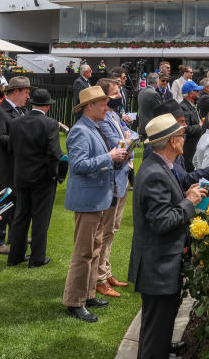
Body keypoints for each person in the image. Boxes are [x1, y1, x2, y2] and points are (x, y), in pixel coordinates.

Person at [129, 114, 208, 359]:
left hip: (160, 264)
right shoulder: (155, 172)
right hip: (158, 266)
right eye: (181, 135)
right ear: (173, 142)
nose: (185, 139)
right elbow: (161, 222)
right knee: (156, 331)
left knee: (159, 330)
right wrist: (188, 202)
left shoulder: (160, 166)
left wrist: (185, 194)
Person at [63, 86, 130, 323]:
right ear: (89, 106)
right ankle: (74, 301)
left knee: (94, 250)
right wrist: (109, 157)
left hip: (98, 199)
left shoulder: (92, 128)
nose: (107, 107)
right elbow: (78, 165)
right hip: (88, 201)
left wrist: (115, 157)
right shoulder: (81, 131)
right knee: (83, 253)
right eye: (103, 104)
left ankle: (88, 294)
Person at [7, 88, 64, 268]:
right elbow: (55, 154)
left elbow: (11, 148)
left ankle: (15, 256)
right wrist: (54, 174)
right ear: (47, 106)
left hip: (22, 176)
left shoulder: (16, 123)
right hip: (43, 179)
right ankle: (37, 258)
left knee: (21, 216)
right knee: (40, 219)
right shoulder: (50, 124)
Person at [95, 78, 135, 298]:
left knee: (113, 229)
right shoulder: (103, 120)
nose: (120, 96)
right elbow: (119, 146)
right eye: (115, 93)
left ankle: (106, 271)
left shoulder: (114, 115)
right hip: (112, 180)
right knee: (105, 230)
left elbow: (130, 140)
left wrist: (127, 139)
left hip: (123, 177)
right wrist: (127, 140)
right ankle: (100, 277)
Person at [0, 76, 33, 254]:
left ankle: (15, 235)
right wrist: (23, 140)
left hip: (20, 165)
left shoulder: (21, 111)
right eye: (26, 93)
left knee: (18, 202)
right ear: (15, 92)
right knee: (5, 202)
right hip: (7, 165)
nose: (28, 97)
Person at [178, 80, 205, 170]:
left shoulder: (193, 105)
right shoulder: (183, 107)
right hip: (189, 148)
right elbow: (184, 128)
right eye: (196, 91)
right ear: (190, 93)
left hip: (196, 144)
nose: (198, 93)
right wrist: (199, 126)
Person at [137, 73, 163, 139]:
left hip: (142, 127)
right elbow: (159, 111)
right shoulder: (154, 94)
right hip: (151, 128)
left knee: (147, 148)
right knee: (152, 149)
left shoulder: (141, 92)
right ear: (157, 82)